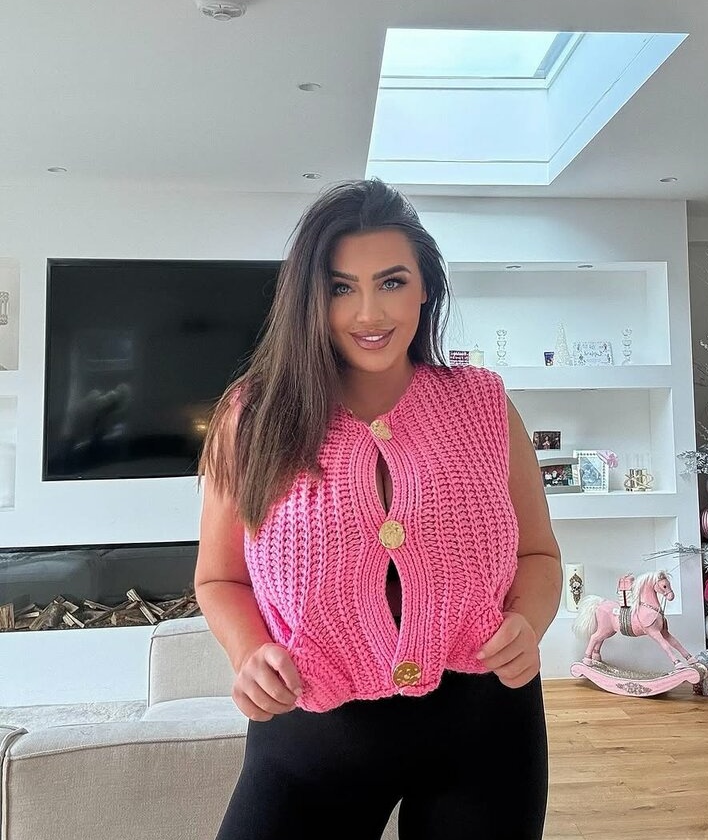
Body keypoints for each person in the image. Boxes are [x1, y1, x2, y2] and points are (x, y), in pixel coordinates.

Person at [195, 179, 563, 840]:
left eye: (392, 282)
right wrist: (248, 653)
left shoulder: (485, 405)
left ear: (425, 288)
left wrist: (527, 623)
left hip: (485, 729)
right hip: (312, 734)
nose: (369, 313)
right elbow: (219, 578)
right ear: (310, 299)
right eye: (341, 288)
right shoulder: (251, 417)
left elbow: (538, 554)